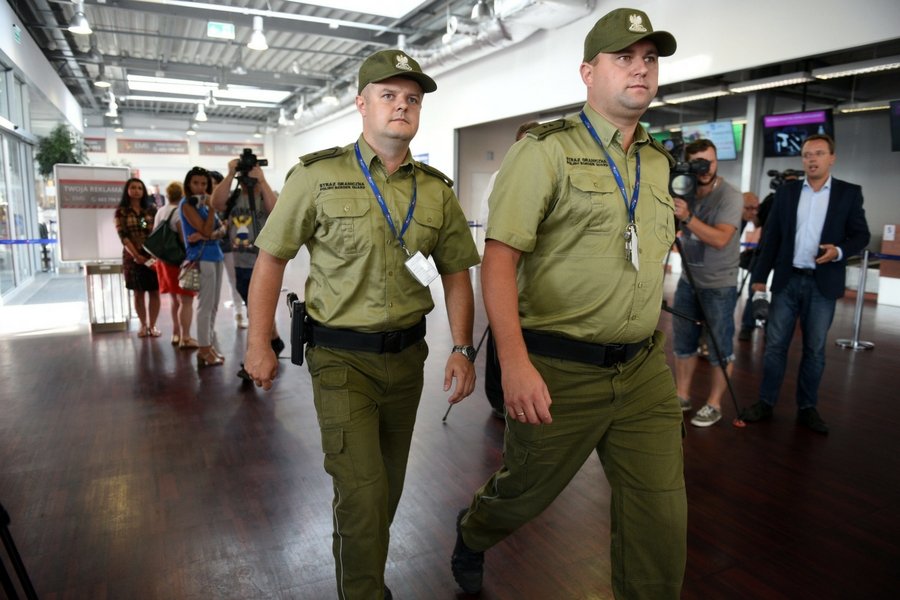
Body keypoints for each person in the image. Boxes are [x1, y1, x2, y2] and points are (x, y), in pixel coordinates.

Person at [451, 8, 685, 598]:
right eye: (624, 58)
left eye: (650, 59)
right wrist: (516, 364)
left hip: (640, 370)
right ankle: (475, 530)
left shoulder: (656, 160)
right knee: (525, 493)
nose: (641, 69)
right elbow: (499, 260)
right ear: (587, 71)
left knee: (660, 518)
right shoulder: (544, 151)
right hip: (560, 369)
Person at [243, 49, 480, 599]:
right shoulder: (317, 176)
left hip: (408, 360)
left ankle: (360, 577)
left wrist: (463, 349)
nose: (402, 106)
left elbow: (456, 275)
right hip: (340, 361)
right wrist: (259, 341)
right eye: (389, 95)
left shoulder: (436, 190)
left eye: (412, 99)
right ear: (361, 103)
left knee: (387, 491)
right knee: (363, 494)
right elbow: (272, 259)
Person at [741, 134, 870, 434]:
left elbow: (860, 235)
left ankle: (807, 408)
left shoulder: (849, 194)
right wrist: (760, 278)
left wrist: (838, 251)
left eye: (819, 153)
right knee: (774, 347)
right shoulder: (786, 193)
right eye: (807, 154)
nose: (812, 159)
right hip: (787, 281)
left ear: (832, 158)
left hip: (822, 284)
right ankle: (766, 401)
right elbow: (771, 238)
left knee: (814, 350)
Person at [671, 138, 743, 426]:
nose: (705, 168)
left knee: (720, 347)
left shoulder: (730, 196)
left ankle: (714, 403)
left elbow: (720, 239)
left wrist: (687, 218)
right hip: (688, 280)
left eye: (710, 162)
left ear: (716, 161)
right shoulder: (682, 188)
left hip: (719, 284)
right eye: (699, 162)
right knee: (683, 344)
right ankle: (682, 396)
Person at [481, 119, 541, 420]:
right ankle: (498, 398)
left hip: (536, 280)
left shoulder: (544, 177)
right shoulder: (499, 177)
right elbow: (489, 225)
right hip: (507, 271)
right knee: (500, 334)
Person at [210, 156, 285, 380]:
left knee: (257, 310)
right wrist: (231, 173)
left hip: (266, 263)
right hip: (241, 262)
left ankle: (257, 354)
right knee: (255, 307)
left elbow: (276, 211)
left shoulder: (266, 195)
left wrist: (261, 180)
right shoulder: (234, 197)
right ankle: (274, 341)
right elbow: (216, 203)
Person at [180, 166, 227, 369]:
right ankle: (204, 348)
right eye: (196, 183)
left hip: (215, 255)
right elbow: (209, 228)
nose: (200, 187)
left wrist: (207, 234)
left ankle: (208, 346)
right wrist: (212, 213)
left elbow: (223, 229)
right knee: (205, 306)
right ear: (188, 184)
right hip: (202, 258)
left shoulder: (205, 204)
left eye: (204, 183)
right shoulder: (187, 205)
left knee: (214, 305)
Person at [152, 181, 198, 349]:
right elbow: (183, 238)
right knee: (186, 300)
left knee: (174, 299)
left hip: (163, 261)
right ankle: (186, 336)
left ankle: (176, 333)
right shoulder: (180, 212)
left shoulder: (160, 211)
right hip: (179, 261)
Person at [114, 177, 161, 337]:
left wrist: (151, 254)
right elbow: (123, 235)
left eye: (140, 188)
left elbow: (155, 232)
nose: (136, 191)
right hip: (132, 257)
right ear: (127, 190)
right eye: (133, 187)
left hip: (152, 255)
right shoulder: (121, 211)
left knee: (154, 291)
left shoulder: (151, 210)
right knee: (138, 293)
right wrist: (136, 255)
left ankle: (153, 326)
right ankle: (143, 325)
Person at [738, 191, 762, 341]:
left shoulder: (749, 218)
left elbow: (759, 222)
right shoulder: (731, 218)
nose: (752, 212)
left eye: (755, 208)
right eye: (748, 208)